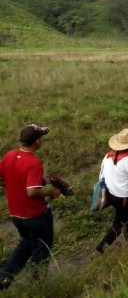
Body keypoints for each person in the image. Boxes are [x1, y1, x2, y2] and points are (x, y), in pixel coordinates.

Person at [0, 124, 61, 290]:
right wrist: (51, 192)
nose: (43, 140)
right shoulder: (34, 162)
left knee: (26, 243)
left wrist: (18, 185)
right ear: (36, 142)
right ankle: (38, 286)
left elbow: (2, 179)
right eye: (41, 137)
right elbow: (32, 192)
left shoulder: (9, 155)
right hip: (35, 216)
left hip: (16, 214)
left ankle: (4, 278)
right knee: (41, 250)